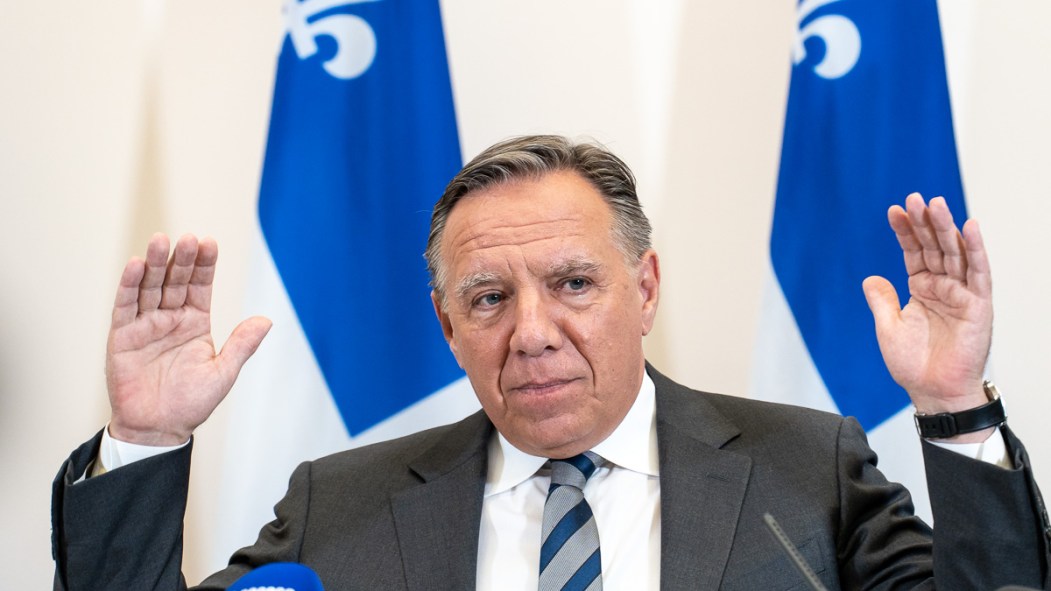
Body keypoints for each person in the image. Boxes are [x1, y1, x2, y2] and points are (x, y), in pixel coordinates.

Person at [52, 135, 1050, 590]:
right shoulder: (340, 505)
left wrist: (955, 407)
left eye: (573, 284)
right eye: (487, 299)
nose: (529, 332)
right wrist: (145, 437)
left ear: (645, 287)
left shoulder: (807, 473)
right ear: (447, 326)